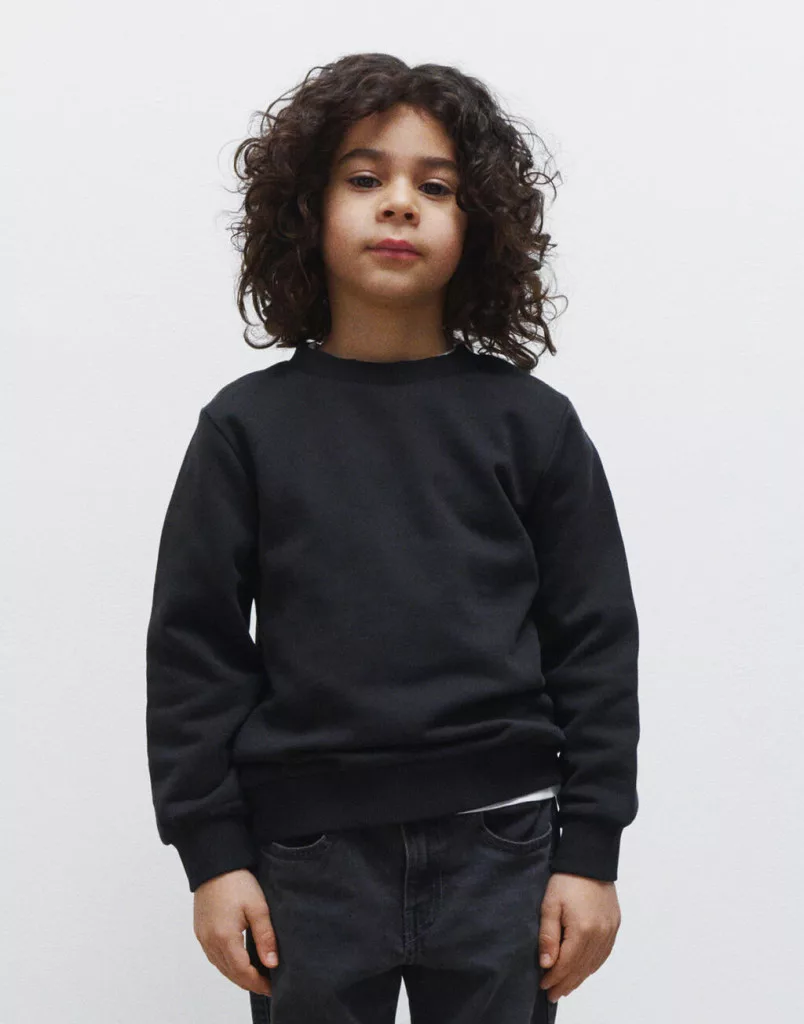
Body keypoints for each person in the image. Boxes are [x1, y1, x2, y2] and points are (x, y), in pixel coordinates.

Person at [145, 53, 640, 1024]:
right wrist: (213, 856)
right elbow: (195, 651)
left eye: (437, 186)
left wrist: (590, 853)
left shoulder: (533, 426)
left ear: (479, 221)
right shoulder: (246, 430)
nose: (401, 203)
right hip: (307, 864)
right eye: (365, 177)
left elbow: (595, 643)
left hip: (504, 851)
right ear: (306, 210)